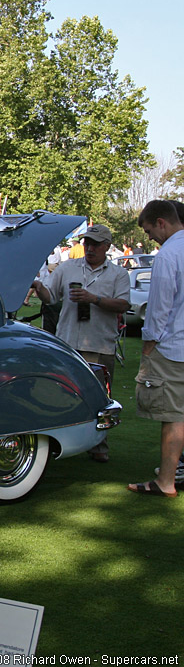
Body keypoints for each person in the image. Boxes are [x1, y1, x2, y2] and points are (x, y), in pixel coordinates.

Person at [31, 224, 130, 462]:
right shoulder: (67, 267)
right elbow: (51, 297)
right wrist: (38, 286)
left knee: (99, 398)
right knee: (60, 394)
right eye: (87, 243)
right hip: (67, 344)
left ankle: (99, 447)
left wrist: (93, 299)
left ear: (107, 246)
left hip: (99, 344)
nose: (90, 248)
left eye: (95, 244)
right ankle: (60, 443)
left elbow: (123, 305)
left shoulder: (118, 274)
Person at [127, 200, 184, 497]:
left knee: (173, 415)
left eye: (150, 231)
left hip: (174, 347)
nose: (150, 237)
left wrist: (148, 347)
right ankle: (174, 471)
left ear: (161, 222)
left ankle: (166, 481)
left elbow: (159, 309)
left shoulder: (169, 255)